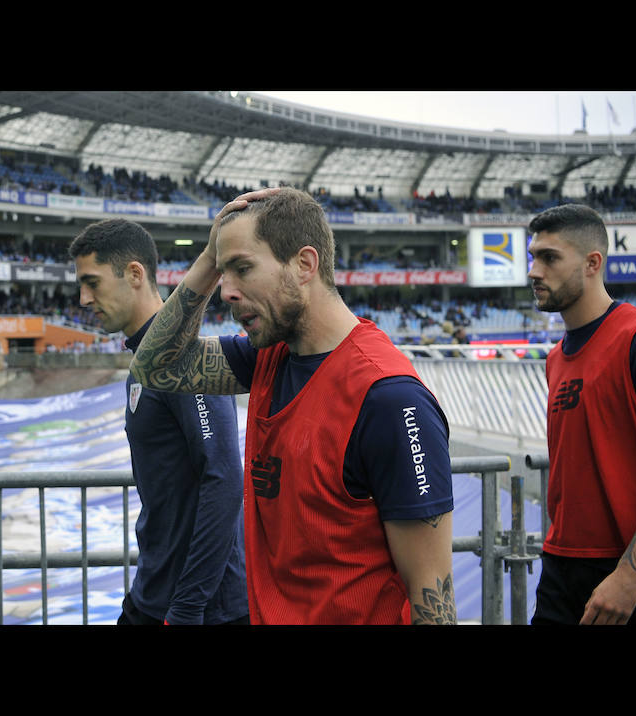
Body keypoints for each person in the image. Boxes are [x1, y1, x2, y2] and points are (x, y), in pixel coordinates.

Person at [129, 187, 456, 625]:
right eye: (223, 273)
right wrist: (210, 257)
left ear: (304, 265)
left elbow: (431, 596)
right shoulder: (268, 356)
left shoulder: (390, 399)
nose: (226, 291)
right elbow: (153, 367)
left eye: (242, 268)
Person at [526, 203, 636, 625]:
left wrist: (631, 571)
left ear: (592, 263)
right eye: (533, 257)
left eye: (549, 258)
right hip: (562, 562)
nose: (534, 271)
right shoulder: (554, 359)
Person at [68, 218, 248, 626]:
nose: (82, 298)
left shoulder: (183, 356)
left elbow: (223, 481)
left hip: (201, 610)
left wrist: (187, 608)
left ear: (134, 274)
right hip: (154, 594)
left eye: (92, 282)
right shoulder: (144, 361)